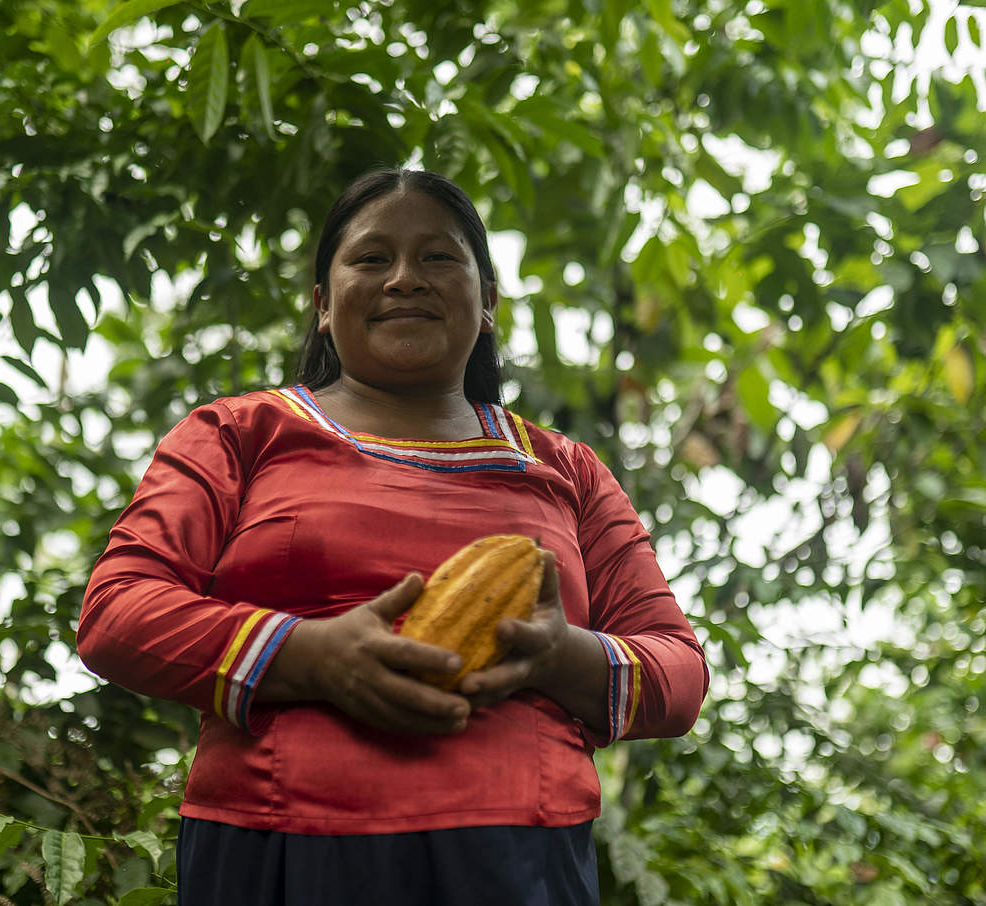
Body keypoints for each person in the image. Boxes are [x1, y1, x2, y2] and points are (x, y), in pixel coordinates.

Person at [77, 168, 709, 905]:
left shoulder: (566, 468)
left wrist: (557, 655)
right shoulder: (236, 435)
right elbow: (116, 613)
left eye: (439, 258)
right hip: (275, 852)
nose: (405, 278)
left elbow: (679, 675)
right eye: (372, 259)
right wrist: (308, 657)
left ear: (490, 302)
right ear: (321, 304)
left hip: (520, 862)